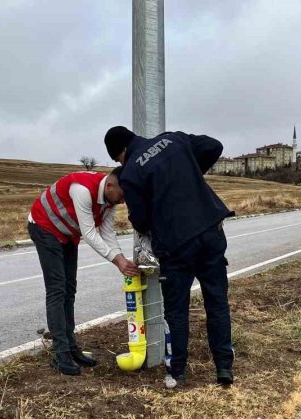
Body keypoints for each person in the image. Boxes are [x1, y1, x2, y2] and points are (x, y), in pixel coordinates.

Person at [104, 125, 235, 387]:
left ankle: (178, 372)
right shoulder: (172, 139)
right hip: (210, 230)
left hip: (176, 245)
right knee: (217, 301)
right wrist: (189, 175)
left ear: (120, 153)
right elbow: (214, 146)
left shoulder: (130, 172)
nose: (121, 163)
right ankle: (223, 368)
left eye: (118, 159)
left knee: (176, 310)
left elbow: (140, 221)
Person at [28, 169, 140, 376]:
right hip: (44, 227)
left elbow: (106, 232)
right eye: (122, 196)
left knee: (69, 288)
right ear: (110, 186)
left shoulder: (110, 201)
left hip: (67, 233)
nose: (123, 202)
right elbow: (89, 233)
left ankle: (71, 347)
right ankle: (60, 354)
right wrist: (117, 261)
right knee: (57, 289)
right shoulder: (81, 189)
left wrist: (121, 259)